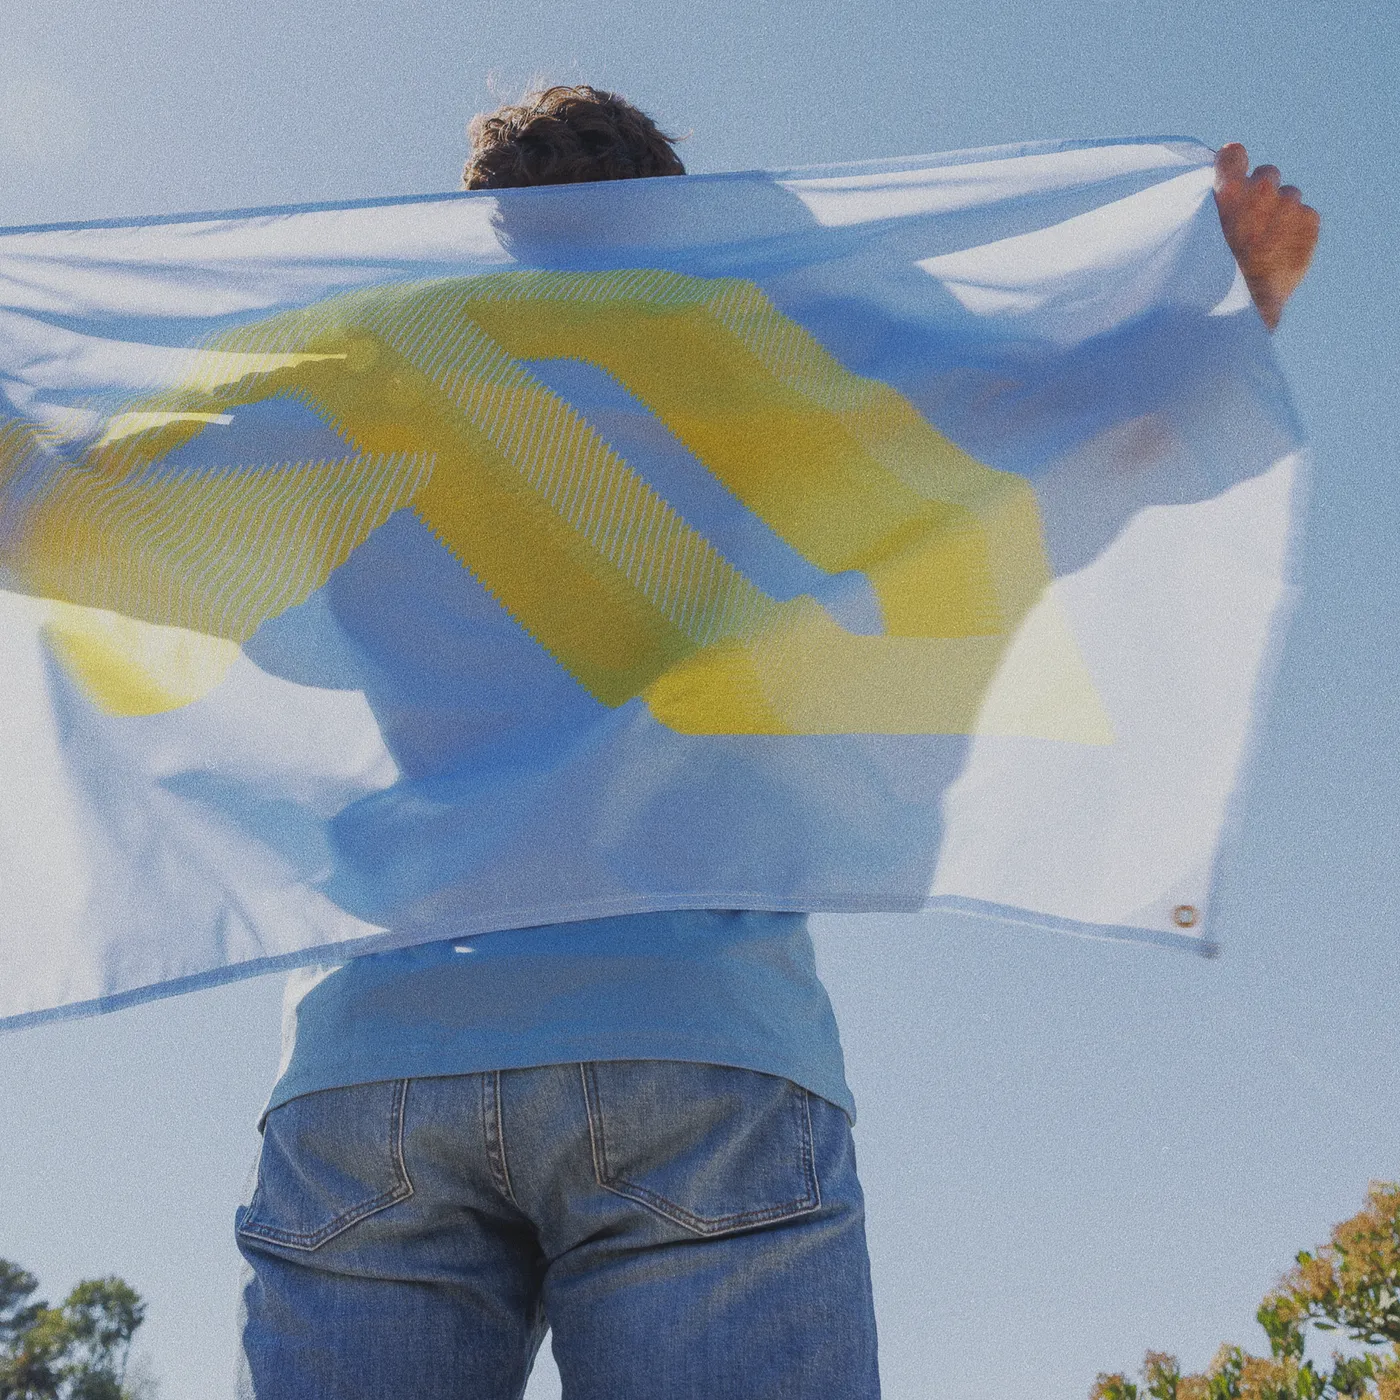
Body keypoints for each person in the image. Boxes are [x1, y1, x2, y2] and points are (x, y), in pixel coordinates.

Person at [234, 87, 1319, 1400]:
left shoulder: (361, 366)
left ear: (490, 224)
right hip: (694, 1035)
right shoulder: (761, 353)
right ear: (683, 213)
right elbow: (1070, 451)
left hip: (380, 1054)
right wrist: (1235, 306)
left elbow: (76, 521)